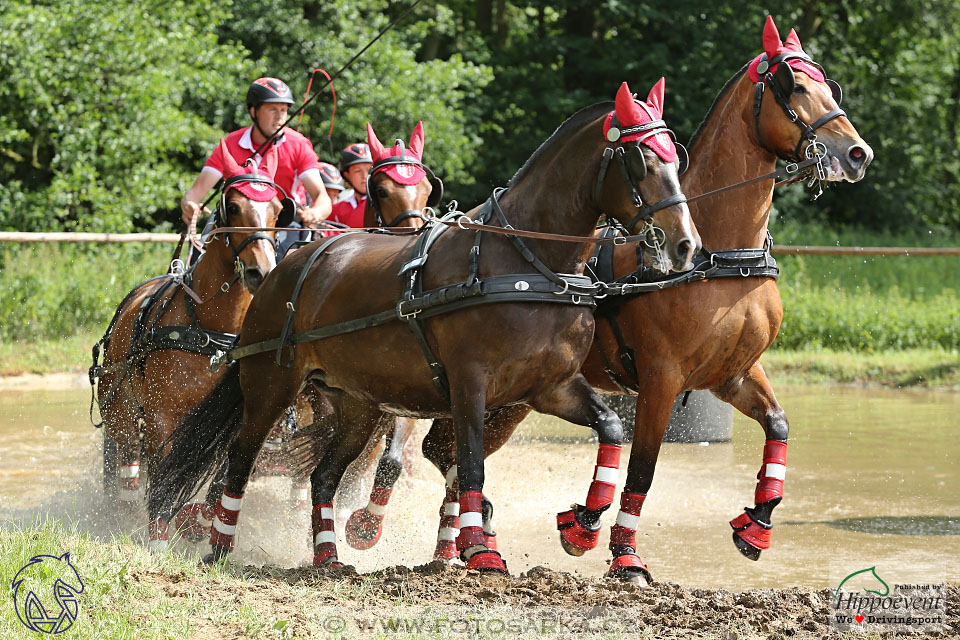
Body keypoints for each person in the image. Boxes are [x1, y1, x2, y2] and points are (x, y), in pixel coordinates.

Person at [180, 77, 332, 235]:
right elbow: (194, 193)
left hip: (285, 221)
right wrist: (190, 204)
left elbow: (322, 198)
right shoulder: (231, 143)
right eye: (273, 109)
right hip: (238, 221)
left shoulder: (299, 144)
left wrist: (315, 213)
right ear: (254, 111)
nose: (280, 116)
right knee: (203, 248)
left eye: (284, 110)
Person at [325, 142, 372, 228]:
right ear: (347, 175)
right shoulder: (336, 210)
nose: (364, 176)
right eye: (358, 171)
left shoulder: (383, 205)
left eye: (369, 170)